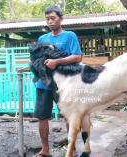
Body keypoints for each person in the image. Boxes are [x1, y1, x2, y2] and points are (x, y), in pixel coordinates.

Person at [33, 5, 82, 157]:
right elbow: (37, 58)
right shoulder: (42, 38)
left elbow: (77, 56)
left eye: (53, 18)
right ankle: (45, 150)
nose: (50, 21)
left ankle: (71, 149)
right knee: (42, 117)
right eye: (47, 19)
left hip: (64, 84)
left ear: (61, 18)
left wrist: (57, 61)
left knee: (68, 116)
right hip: (44, 84)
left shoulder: (69, 36)